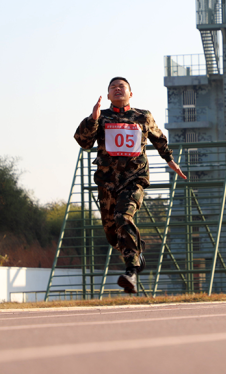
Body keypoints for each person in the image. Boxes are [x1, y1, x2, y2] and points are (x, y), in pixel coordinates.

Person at [74, 77, 187, 293]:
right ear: (108, 96)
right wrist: (93, 118)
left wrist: (170, 161)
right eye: (113, 88)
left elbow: (160, 140)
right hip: (107, 183)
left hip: (134, 179)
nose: (117, 89)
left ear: (130, 94)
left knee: (123, 217)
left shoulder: (143, 116)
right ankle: (137, 253)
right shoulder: (102, 118)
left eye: (122, 87)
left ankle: (132, 272)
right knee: (112, 233)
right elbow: (83, 141)